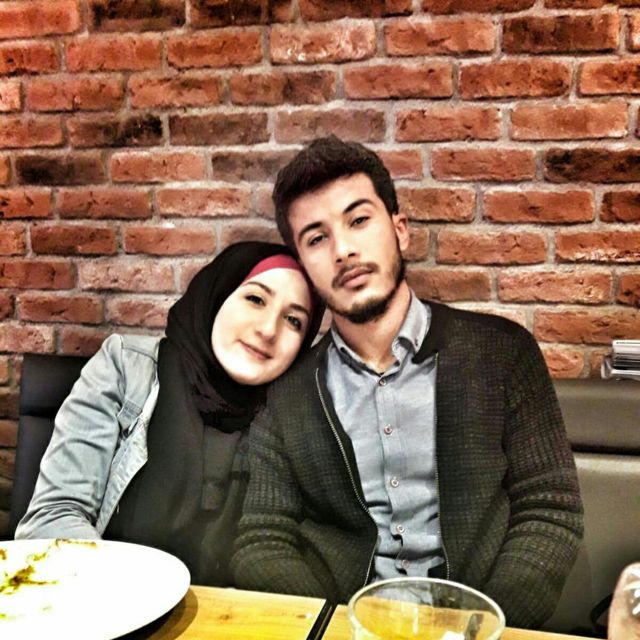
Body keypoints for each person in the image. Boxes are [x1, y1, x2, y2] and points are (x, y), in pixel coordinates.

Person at [231, 137, 584, 628]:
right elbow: (261, 542)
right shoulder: (289, 392)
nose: (343, 250)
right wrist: (334, 628)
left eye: (359, 220)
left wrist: (480, 629)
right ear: (305, 267)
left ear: (400, 231)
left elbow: (549, 512)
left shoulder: (502, 352)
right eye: (316, 238)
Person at [16, 241, 322, 587]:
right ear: (218, 295)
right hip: (109, 601)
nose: (268, 330)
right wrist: (129, 596)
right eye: (255, 299)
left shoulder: (293, 416)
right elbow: (51, 519)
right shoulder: (127, 369)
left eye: (294, 320)